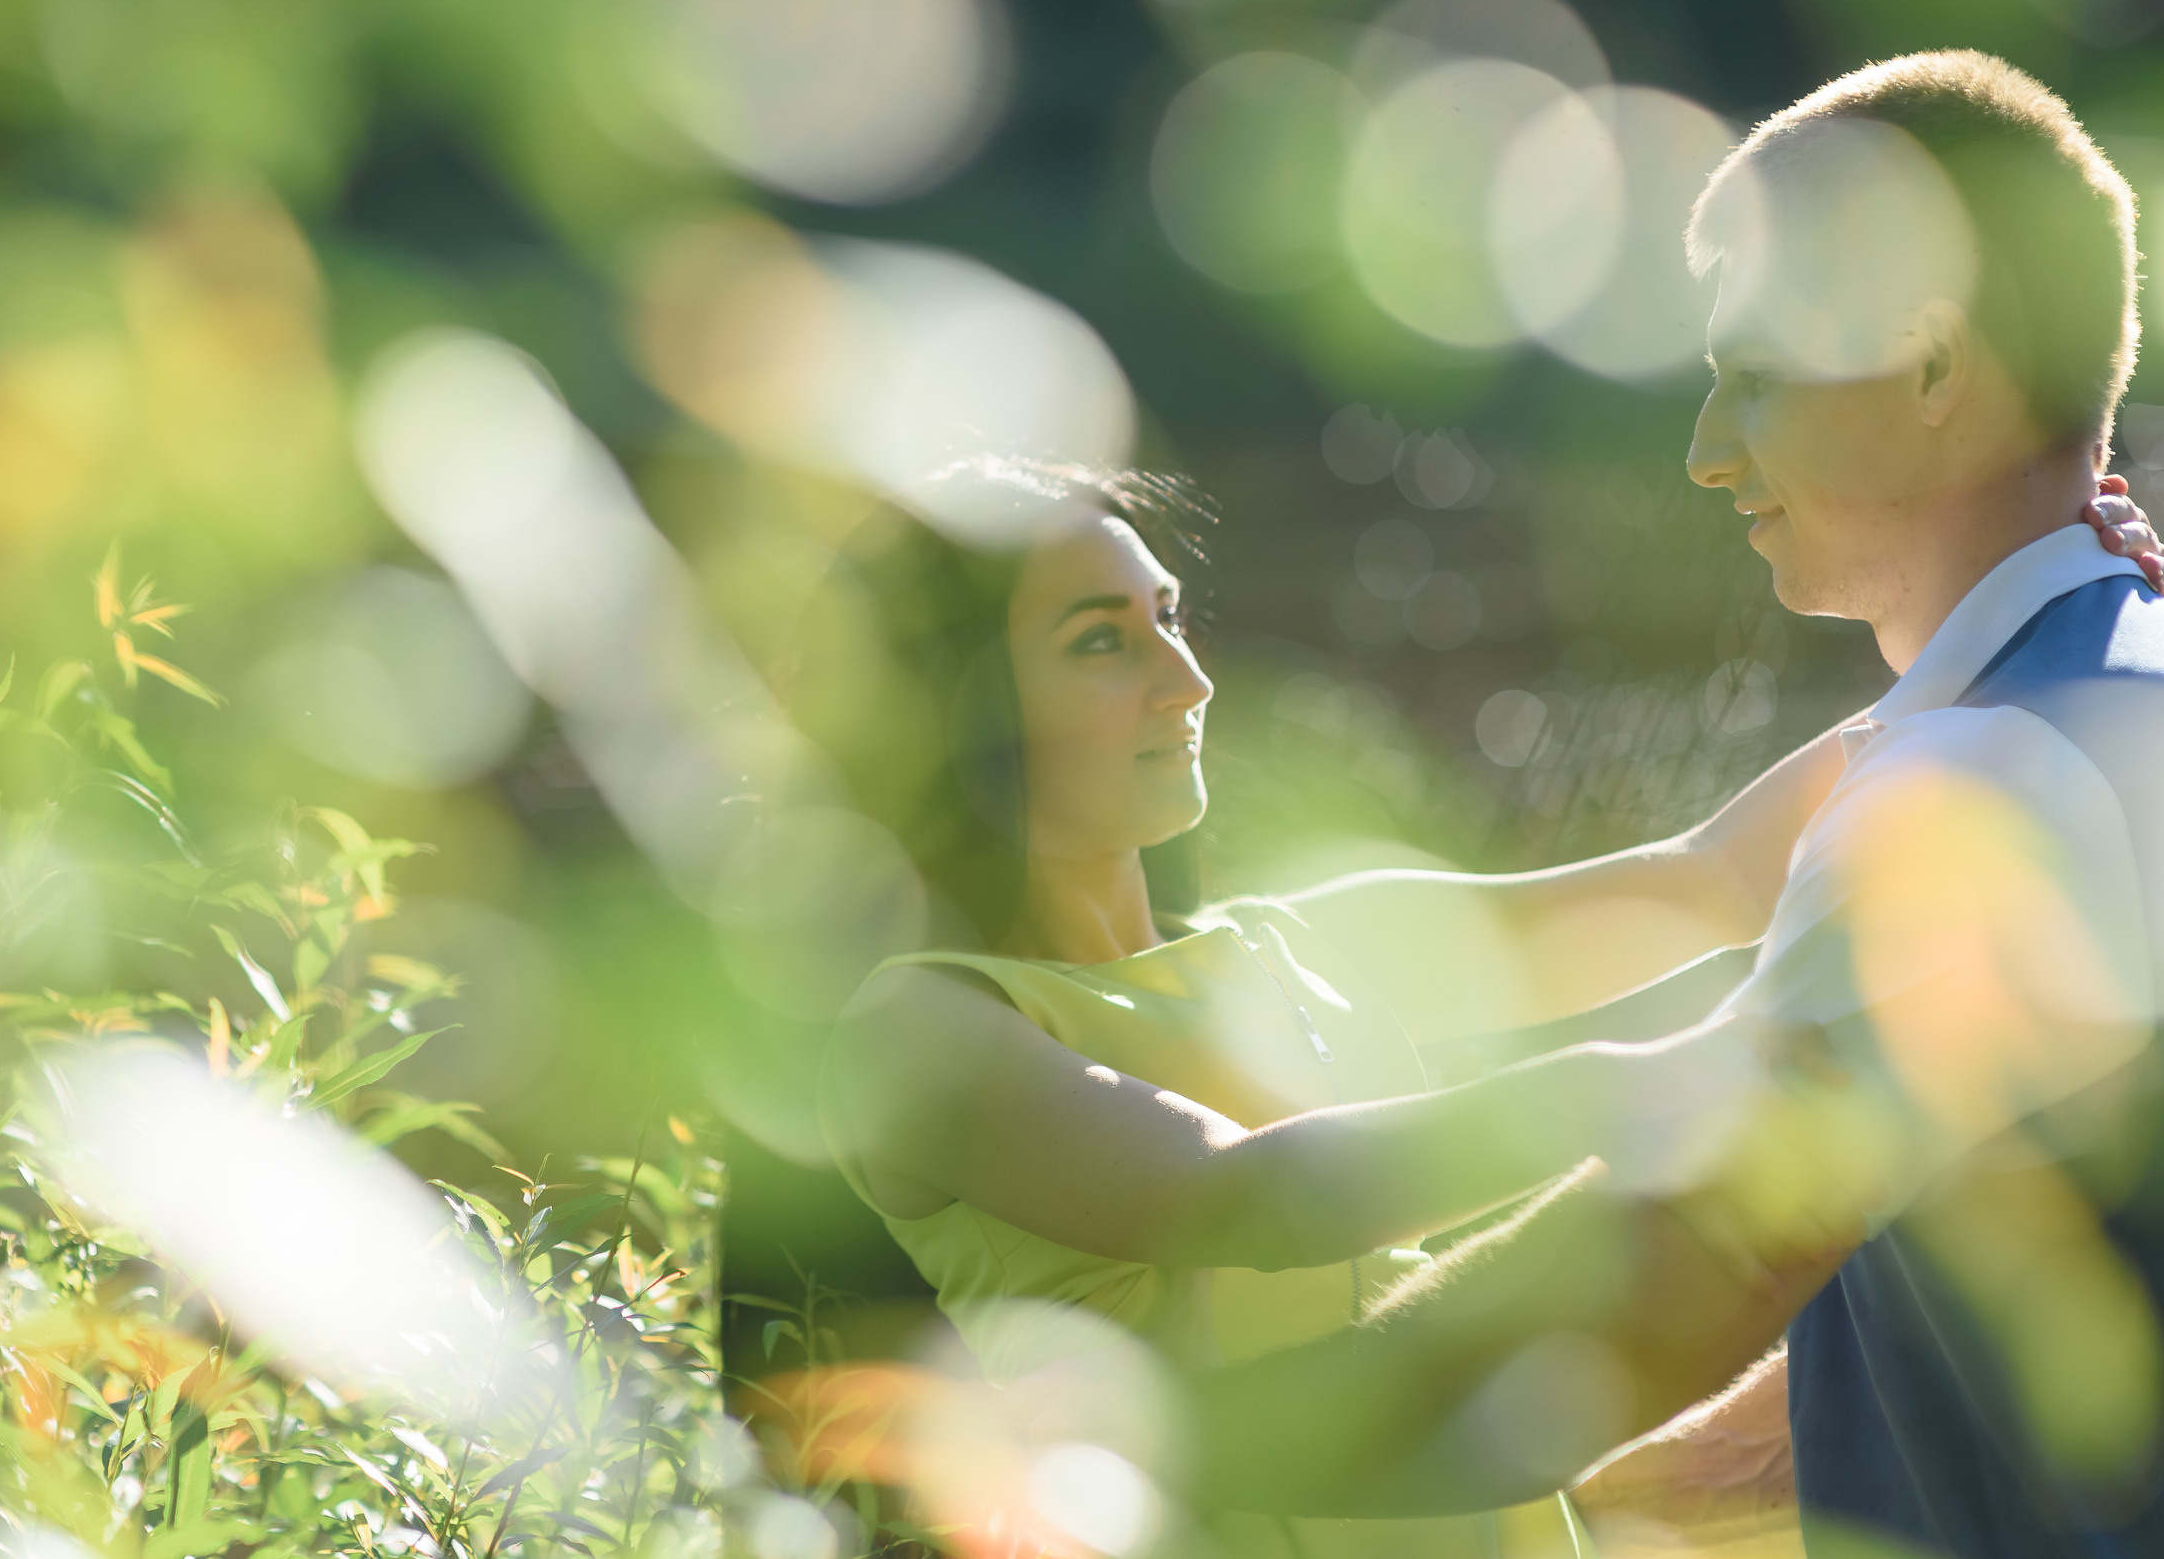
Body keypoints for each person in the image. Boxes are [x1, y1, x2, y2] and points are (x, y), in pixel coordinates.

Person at [1162, 51, 2164, 1559]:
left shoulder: (1981, 784)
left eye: (1754, 377)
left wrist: (1135, 1453)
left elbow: (1690, 1249)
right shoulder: (2084, 689)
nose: (1706, 452)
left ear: (1938, 369)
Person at [796, 449, 2153, 1557]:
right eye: (1106, 640)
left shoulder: (1297, 942)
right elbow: (1241, 1195)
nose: (1188, 680)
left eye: (1171, 618)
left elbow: (1707, 877)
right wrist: (1659, 1080)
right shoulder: (922, 1029)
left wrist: (2045, 595)